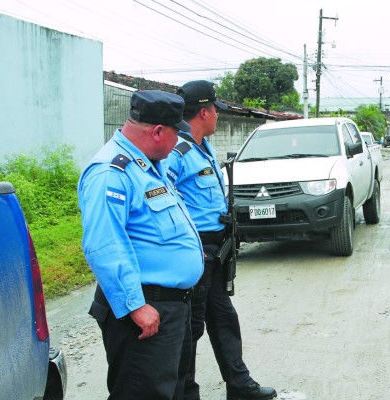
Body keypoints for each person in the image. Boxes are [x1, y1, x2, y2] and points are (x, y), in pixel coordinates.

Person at [78, 90, 205, 400]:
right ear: (158, 131)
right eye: (176, 134)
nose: (178, 144)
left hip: (171, 307)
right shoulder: (111, 172)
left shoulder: (148, 165)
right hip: (146, 311)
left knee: (173, 390)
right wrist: (135, 305)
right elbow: (103, 244)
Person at [165, 80, 277, 400]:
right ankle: (185, 392)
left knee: (223, 318)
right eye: (215, 110)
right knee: (190, 328)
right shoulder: (177, 151)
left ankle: (239, 384)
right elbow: (164, 201)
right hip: (196, 251)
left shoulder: (202, 146)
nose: (218, 116)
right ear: (204, 112)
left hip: (217, 247)